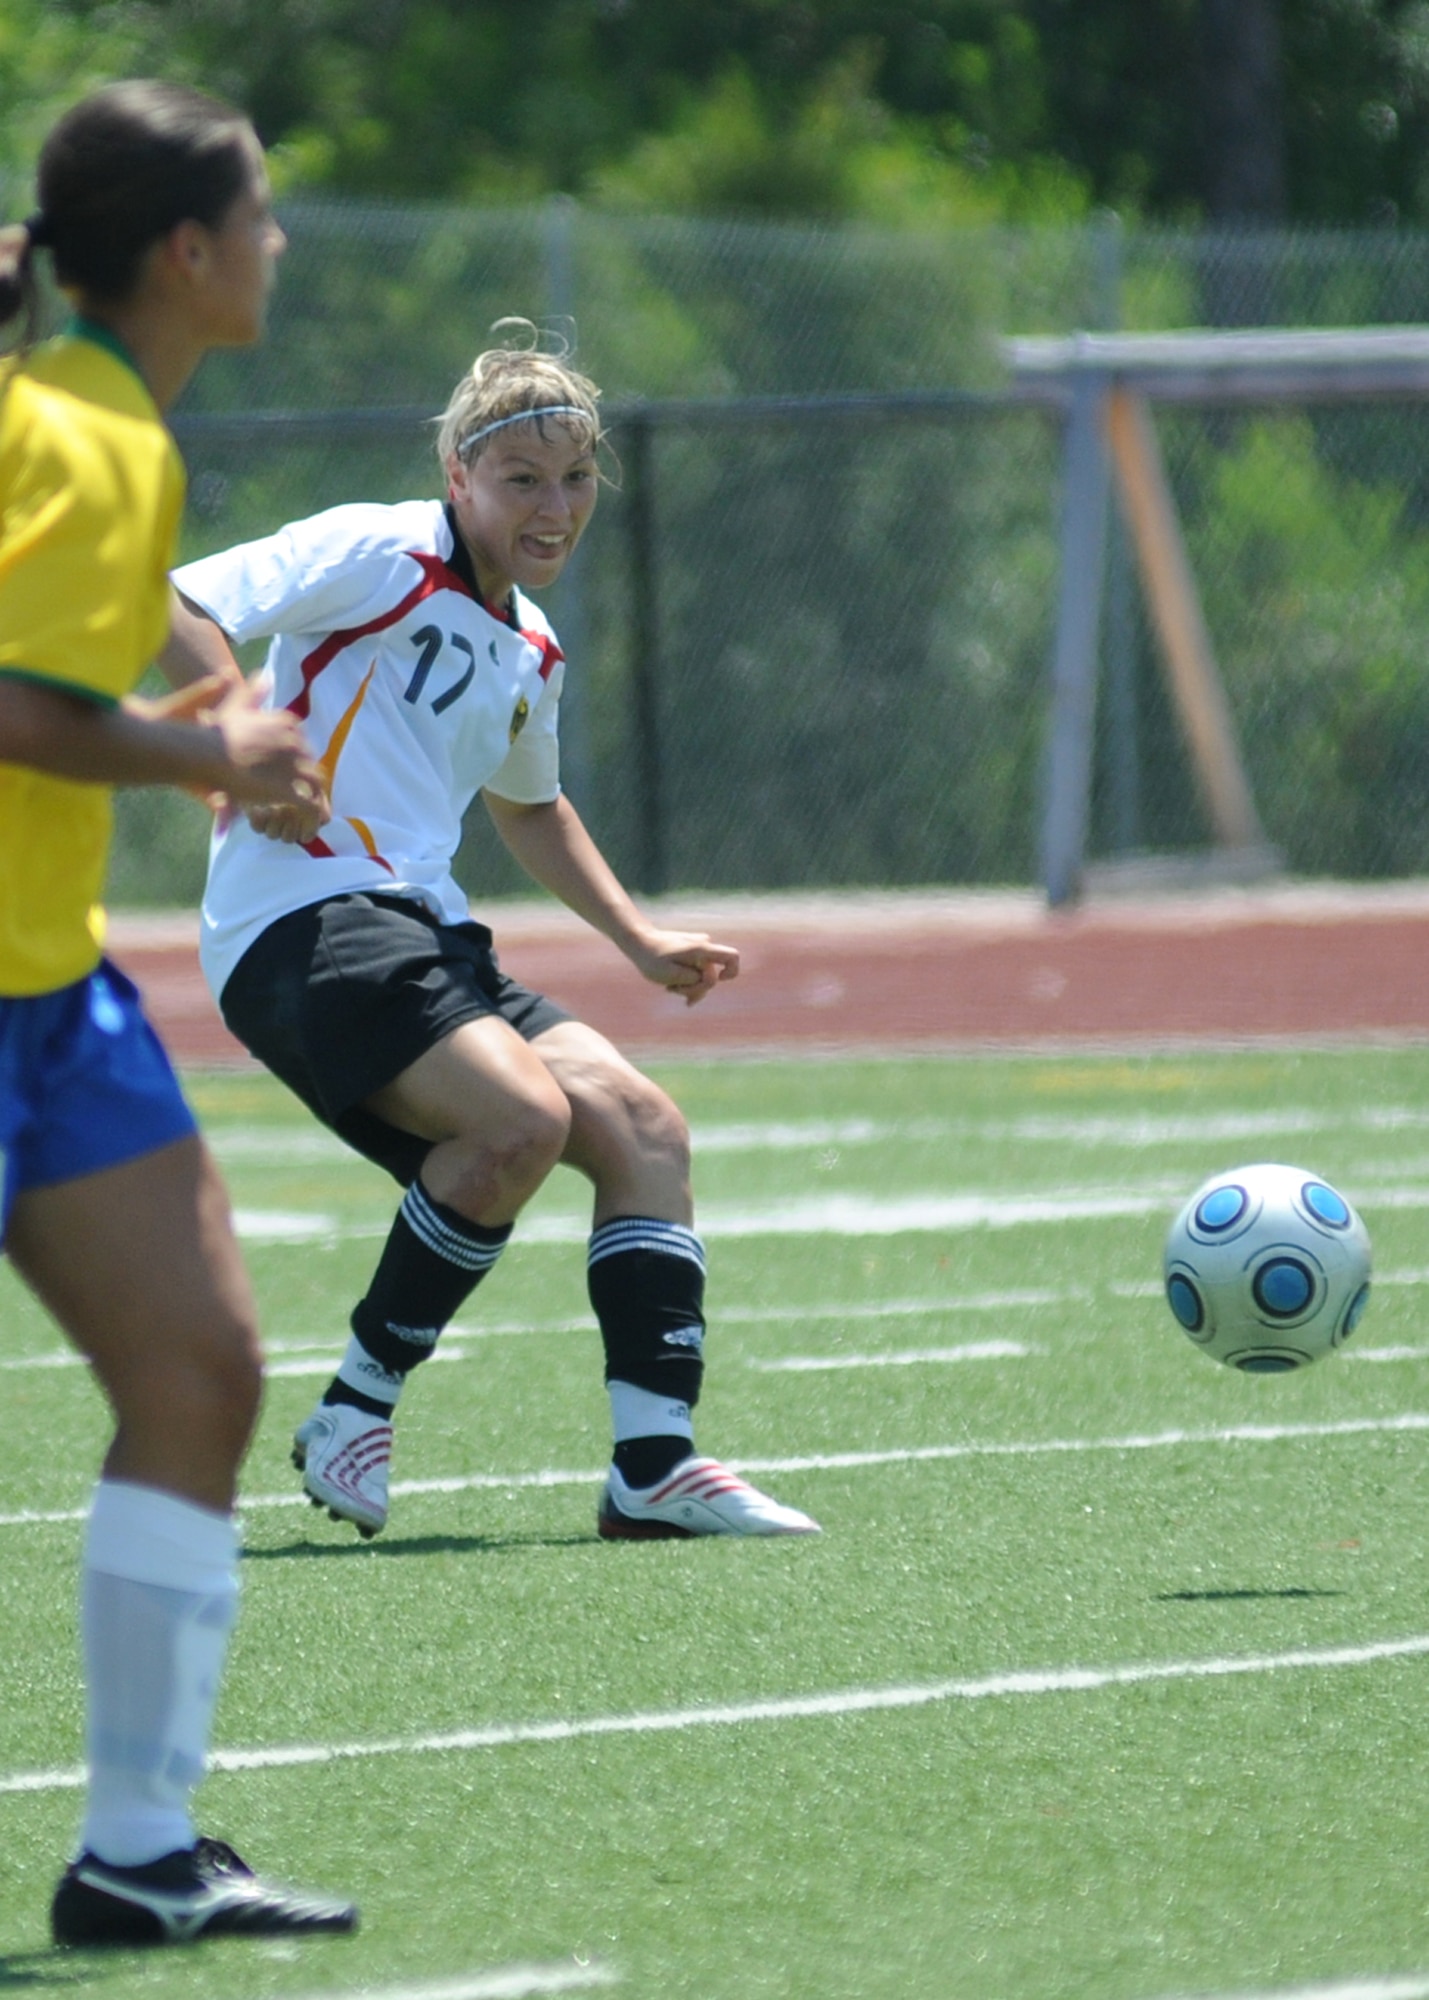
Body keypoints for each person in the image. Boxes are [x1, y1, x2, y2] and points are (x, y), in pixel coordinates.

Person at [162, 322, 820, 1547]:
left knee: (640, 1126)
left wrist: (636, 938)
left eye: (575, 478)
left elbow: (529, 804)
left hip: (417, 930)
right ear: (457, 475)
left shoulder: (533, 647)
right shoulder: (378, 548)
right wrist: (241, 738)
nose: (554, 505)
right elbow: (182, 598)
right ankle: (356, 1406)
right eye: (522, 477)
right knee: (520, 1117)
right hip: (297, 921)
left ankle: (653, 1466)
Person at [0, 81, 357, 1946]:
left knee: (204, 1368)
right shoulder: (86, 432)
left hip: (46, 998)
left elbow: (121, 617)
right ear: (190, 253)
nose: (284, 246)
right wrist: (205, 750)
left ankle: (135, 1856)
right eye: (265, 216)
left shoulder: (100, 424)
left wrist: (223, 708)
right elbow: (12, 703)